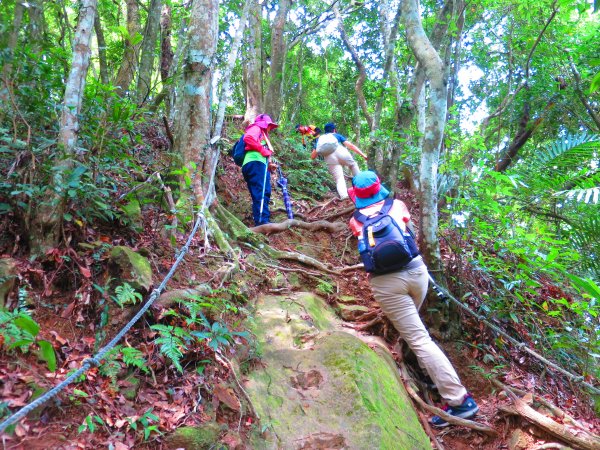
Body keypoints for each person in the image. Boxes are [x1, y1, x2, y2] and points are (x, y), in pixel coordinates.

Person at [348, 170, 479, 427]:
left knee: (419, 339)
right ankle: (430, 373)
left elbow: (365, 246)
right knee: (417, 333)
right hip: (417, 273)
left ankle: (459, 401)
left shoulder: (356, 219)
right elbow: (406, 231)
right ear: (378, 188)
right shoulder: (397, 205)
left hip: (387, 283)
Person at [313, 122, 367, 200]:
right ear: (334, 130)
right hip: (341, 153)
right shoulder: (336, 135)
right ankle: (363, 187)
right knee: (353, 165)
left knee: (339, 178)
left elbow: (313, 155)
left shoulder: (320, 139)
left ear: (325, 131)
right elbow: (351, 146)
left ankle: (345, 197)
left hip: (329, 158)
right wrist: (363, 155)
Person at [242, 114, 279, 226]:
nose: (269, 127)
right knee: (261, 192)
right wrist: (262, 150)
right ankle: (262, 222)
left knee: (264, 191)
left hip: (259, 164)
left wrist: (269, 166)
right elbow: (248, 138)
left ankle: (262, 220)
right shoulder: (256, 128)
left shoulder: (263, 134)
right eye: (268, 124)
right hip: (255, 163)